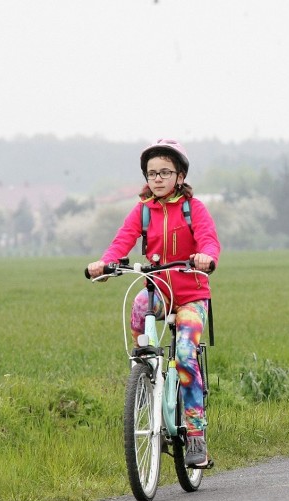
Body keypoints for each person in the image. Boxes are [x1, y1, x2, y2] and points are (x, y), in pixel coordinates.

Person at [87, 138, 220, 466]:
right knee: (138, 307)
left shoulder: (193, 209)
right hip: (158, 292)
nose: (157, 178)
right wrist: (105, 263)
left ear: (180, 175)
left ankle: (196, 432)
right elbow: (123, 240)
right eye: (151, 173)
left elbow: (208, 240)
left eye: (165, 172)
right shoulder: (143, 210)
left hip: (191, 297)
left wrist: (205, 257)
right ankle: (145, 371)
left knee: (187, 358)